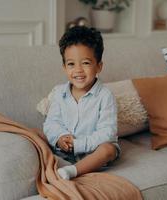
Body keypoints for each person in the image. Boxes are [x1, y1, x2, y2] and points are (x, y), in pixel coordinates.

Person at [43, 26, 120, 180]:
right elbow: (52, 123)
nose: (78, 70)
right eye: (71, 64)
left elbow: (107, 132)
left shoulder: (105, 96)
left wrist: (79, 144)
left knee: (108, 149)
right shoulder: (59, 93)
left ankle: (73, 171)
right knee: (36, 134)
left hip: (93, 152)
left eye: (85, 63)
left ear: (99, 66)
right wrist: (60, 138)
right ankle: (62, 164)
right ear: (64, 67)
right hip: (64, 151)